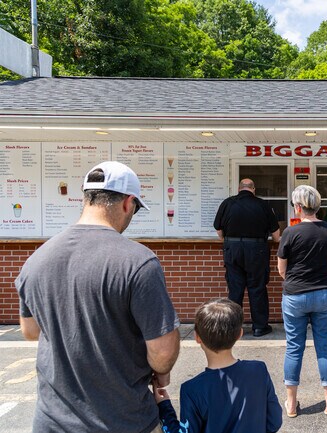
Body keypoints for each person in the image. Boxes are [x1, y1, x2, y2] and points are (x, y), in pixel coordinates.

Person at [15, 161, 180, 433]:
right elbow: (162, 353)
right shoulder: (138, 262)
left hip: (51, 421)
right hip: (123, 419)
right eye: (136, 209)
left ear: (86, 198)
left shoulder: (36, 259)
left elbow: (30, 331)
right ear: (128, 203)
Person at [153, 298, 283, 433]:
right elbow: (274, 421)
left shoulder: (192, 389)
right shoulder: (258, 371)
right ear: (240, 334)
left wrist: (164, 407)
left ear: (197, 337)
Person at [277, 185, 327, 418]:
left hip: (295, 294)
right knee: (324, 346)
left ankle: (292, 404)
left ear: (298, 207)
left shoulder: (290, 233)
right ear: (317, 206)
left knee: (294, 348)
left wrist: (297, 280)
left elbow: (281, 269)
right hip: (326, 293)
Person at [213, 178, 280, 337]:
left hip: (232, 249)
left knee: (235, 290)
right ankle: (259, 327)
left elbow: (219, 232)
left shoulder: (227, 203)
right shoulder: (263, 205)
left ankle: (234, 328)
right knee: (257, 288)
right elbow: (277, 237)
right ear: (253, 189)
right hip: (257, 250)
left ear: (239, 188)